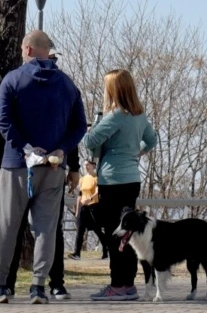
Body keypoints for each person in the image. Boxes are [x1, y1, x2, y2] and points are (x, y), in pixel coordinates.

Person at [0, 31, 86, 304]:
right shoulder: (67, 84)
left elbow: (2, 121)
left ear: (27, 49)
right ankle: (39, 287)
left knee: (7, 226)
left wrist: (26, 148)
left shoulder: (13, 80)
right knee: (46, 229)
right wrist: (61, 150)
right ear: (47, 51)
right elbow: (78, 125)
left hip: (17, 165)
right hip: (54, 168)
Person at [84, 69, 159, 301]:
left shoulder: (115, 116)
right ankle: (128, 285)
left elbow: (89, 141)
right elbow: (152, 139)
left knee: (114, 233)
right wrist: (137, 154)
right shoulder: (139, 115)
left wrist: (92, 128)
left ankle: (117, 285)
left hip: (112, 180)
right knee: (128, 233)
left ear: (113, 90)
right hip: (132, 179)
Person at [71, 160, 109, 260]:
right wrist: (77, 211)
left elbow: (98, 192)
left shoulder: (97, 178)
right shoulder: (82, 179)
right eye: (85, 165)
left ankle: (106, 251)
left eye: (88, 165)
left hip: (94, 207)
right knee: (80, 230)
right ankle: (77, 253)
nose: (86, 166)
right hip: (83, 207)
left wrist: (90, 199)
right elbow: (80, 196)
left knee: (98, 231)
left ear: (93, 166)